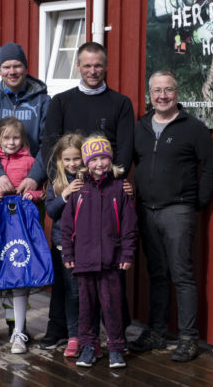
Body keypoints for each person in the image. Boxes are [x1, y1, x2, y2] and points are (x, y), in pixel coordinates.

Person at [39, 41, 135, 350]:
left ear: (105, 67)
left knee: (108, 270)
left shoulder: (120, 103)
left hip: (106, 194)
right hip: (72, 192)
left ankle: (114, 336)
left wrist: (115, 182)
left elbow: (125, 149)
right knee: (67, 269)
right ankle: (62, 330)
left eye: (98, 65)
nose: (92, 70)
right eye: (87, 65)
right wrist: (61, 184)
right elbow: (49, 144)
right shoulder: (62, 101)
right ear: (78, 67)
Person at [129, 69, 213, 362]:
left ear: (177, 93)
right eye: (157, 90)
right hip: (146, 210)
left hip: (177, 211)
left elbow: (212, 168)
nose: (162, 96)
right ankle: (157, 332)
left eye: (168, 90)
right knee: (156, 274)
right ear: (150, 94)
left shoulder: (192, 127)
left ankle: (187, 338)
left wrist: (195, 202)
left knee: (182, 275)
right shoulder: (140, 127)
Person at [0, 42, 50, 338]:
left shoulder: (43, 100)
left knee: (21, 257)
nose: (12, 71)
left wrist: (35, 176)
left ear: (25, 67)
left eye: (17, 65)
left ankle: (17, 324)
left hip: (27, 195)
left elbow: (48, 142)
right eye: (6, 66)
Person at [61, 135, 137, 369]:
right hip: (83, 262)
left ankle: (115, 348)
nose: (100, 163)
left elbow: (129, 225)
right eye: (94, 159)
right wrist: (68, 254)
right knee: (86, 308)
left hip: (111, 262)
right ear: (86, 163)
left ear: (111, 160)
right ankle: (88, 348)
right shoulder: (78, 190)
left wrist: (126, 254)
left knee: (112, 307)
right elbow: (67, 226)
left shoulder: (119, 188)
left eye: (104, 158)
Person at [0, 117, 43, 355]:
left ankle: (18, 332)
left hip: (19, 224)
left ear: (22, 140)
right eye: (7, 138)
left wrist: (33, 194)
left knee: (19, 274)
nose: (12, 143)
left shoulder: (30, 161)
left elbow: (41, 188)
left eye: (16, 138)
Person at [44, 133, 85, 357]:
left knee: (78, 292)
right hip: (62, 245)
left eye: (76, 158)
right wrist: (65, 195)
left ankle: (81, 334)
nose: (71, 164)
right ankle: (72, 335)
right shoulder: (58, 182)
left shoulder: (90, 179)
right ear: (60, 160)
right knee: (67, 291)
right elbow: (51, 211)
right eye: (67, 160)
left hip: (85, 245)